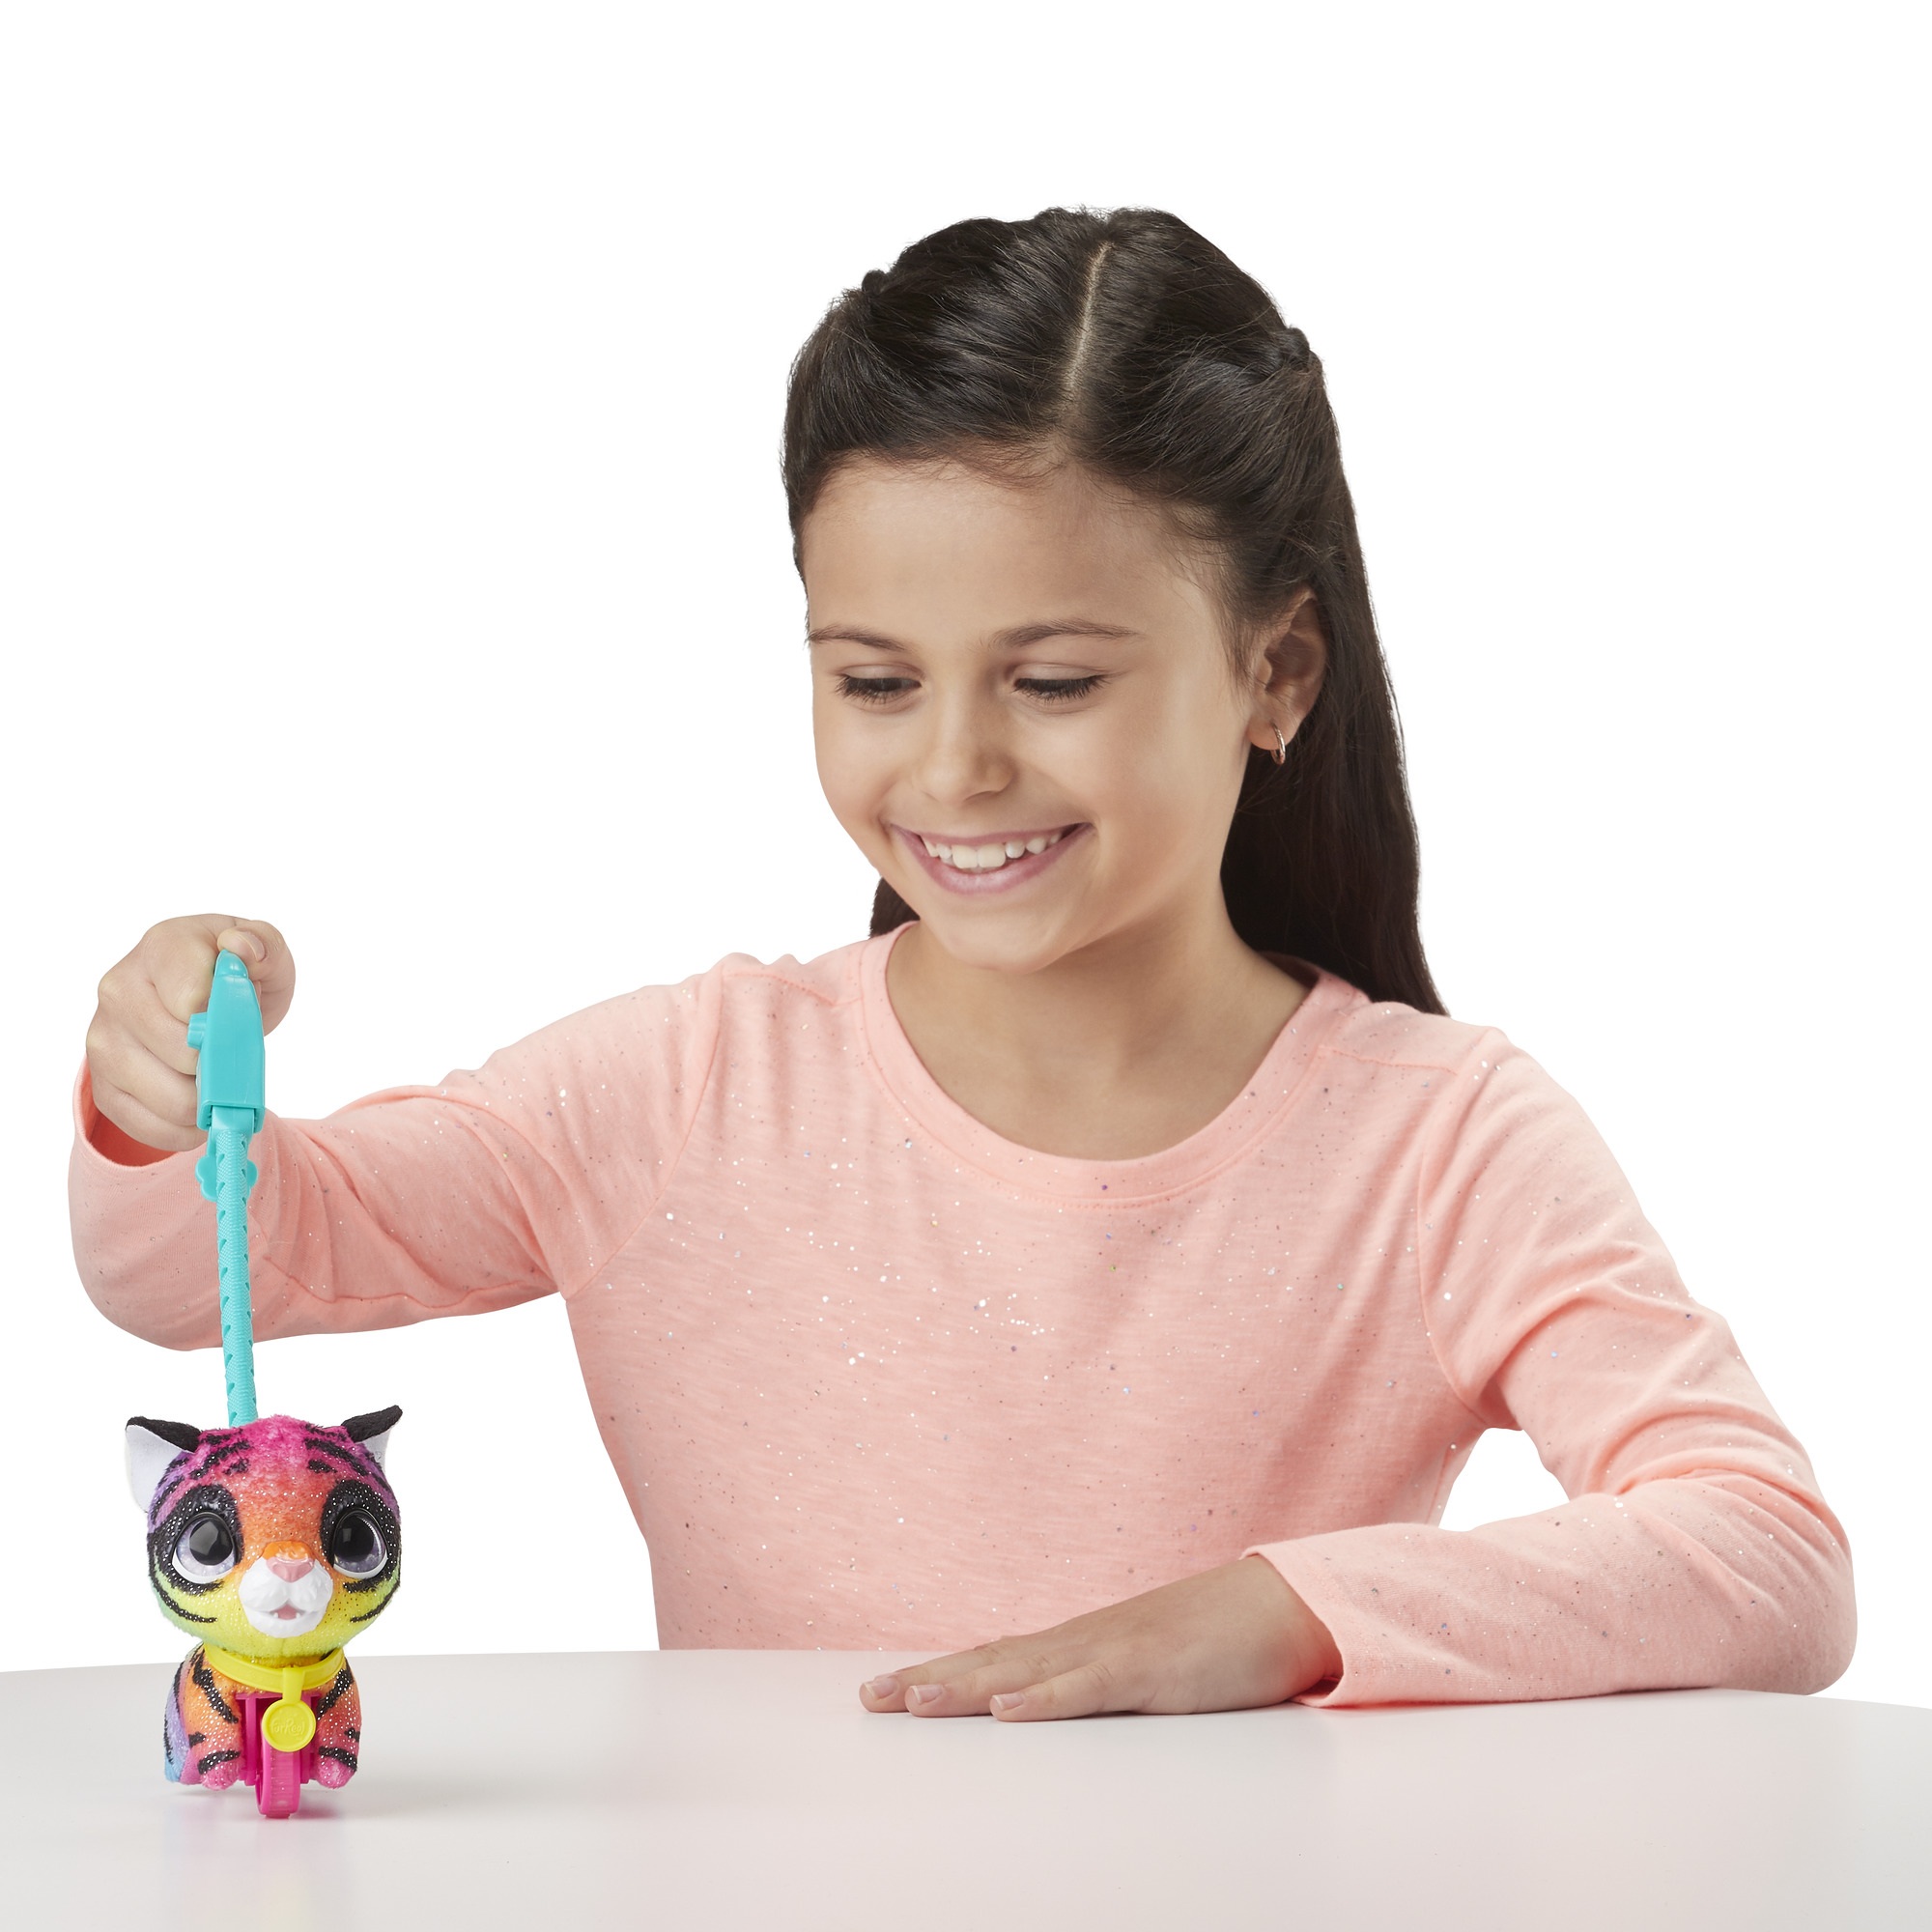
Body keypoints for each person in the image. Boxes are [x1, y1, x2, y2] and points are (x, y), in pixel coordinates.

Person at [71, 207, 1854, 1719]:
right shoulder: (690, 1089)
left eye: (1053, 681)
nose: (953, 767)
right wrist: (158, 1080)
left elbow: (1766, 1551)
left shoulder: (1439, 1141)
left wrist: (1283, 1615)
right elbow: (193, 1268)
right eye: (874, 680)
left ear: (1276, 674)